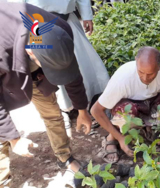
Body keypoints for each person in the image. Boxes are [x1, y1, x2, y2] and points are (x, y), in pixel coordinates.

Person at [0, 3, 92, 188]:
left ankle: (64, 157)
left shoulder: (58, 28)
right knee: (1, 135)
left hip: (30, 67)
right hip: (6, 67)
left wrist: (82, 110)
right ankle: (2, 186)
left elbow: (70, 69)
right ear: (31, 52)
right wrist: (14, 138)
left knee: (52, 113)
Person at [20, 0, 110, 136]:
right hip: (35, 23)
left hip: (65, 17)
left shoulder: (64, 26)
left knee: (77, 63)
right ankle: (63, 109)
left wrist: (86, 14)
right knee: (47, 67)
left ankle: (89, 103)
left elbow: (68, 68)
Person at [91, 47, 160, 163]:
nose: (145, 78)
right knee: (126, 115)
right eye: (141, 72)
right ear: (136, 62)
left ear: (159, 67)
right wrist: (120, 138)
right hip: (127, 104)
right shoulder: (122, 78)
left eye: (151, 74)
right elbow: (96, 110)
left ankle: (148, 129)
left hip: (152, 101)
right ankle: (112, 137)